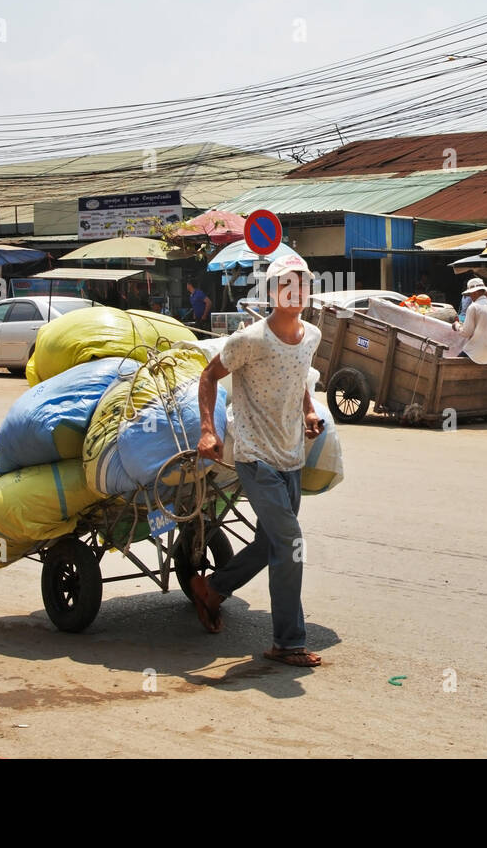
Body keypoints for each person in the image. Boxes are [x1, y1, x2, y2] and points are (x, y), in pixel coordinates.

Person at [192, 253, 325, 667]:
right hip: (254, 457)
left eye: (302, 283)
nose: (295, 291)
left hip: (291, 457)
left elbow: (300, 376)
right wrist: (208, 430)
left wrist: (307, 410)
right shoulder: (248, 340)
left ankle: (211, 588)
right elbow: (209, 376)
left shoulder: (312, 336)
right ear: (271, 293)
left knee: (271, 541)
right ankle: (288, 642)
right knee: (291, 543)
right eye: (286, 283)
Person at [453, 277, 487, 363]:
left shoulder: (474, 307)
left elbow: (466, 333)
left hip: (476, 353)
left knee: (453, 363)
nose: (470, 296)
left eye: (470, 293)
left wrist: (457, 325)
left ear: (475, 292)